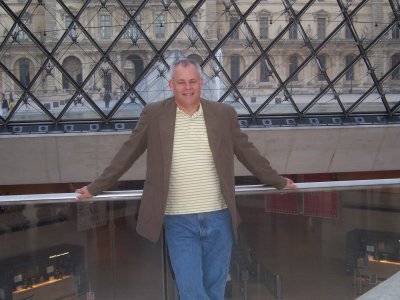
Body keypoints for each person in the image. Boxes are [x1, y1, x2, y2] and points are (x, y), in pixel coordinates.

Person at [75, 59, 296, 300]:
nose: (187, 87)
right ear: (171, 84)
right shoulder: (155, 113)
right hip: (178, 220)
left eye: (192, 81)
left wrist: (277, 181)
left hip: (219, 216)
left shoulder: (223, 114)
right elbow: (128, 152)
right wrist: (96, 187)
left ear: (201, 83)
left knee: (215, 289)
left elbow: (248, 152)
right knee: (191, 292)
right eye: (181, 82)